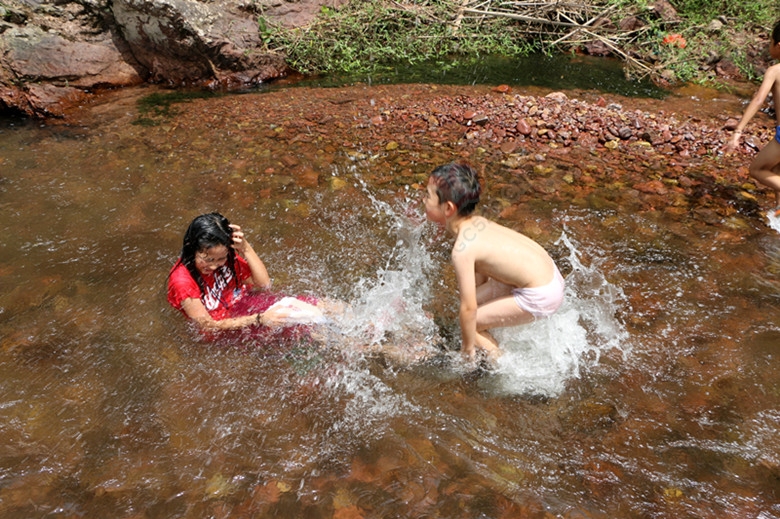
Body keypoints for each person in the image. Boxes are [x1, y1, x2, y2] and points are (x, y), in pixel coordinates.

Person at [423, 162, 564, 362]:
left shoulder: (462, 249)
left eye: (428, 196)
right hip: (548, 274)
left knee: (469, 324)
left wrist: (467, 348)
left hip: (541, 294)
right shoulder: (478, 223)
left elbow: (468, 309)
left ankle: (500, 366)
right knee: (467, 314)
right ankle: (491, 336)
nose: (423, 200)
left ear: (448, 208)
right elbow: (481, 273)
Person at [167, 212, 323, 331]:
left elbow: (263, 285)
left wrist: (246, 248)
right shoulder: (182, 281)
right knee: (305, 329)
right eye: (207, 260)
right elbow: (208, 326)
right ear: (191, 249)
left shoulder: (225, 255)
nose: (214, 266)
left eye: (220, 259)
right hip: (228, 327)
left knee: (324, 307)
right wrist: (259, 319)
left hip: (245, 304)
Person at [725, 20, 780, 214]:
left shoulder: (775, 71)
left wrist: (738, 131)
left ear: (778, 45)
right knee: (775, 171)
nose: (768, 45)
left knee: (757, 170)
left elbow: (758, 100)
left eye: (770, 41)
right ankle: (778, 214)